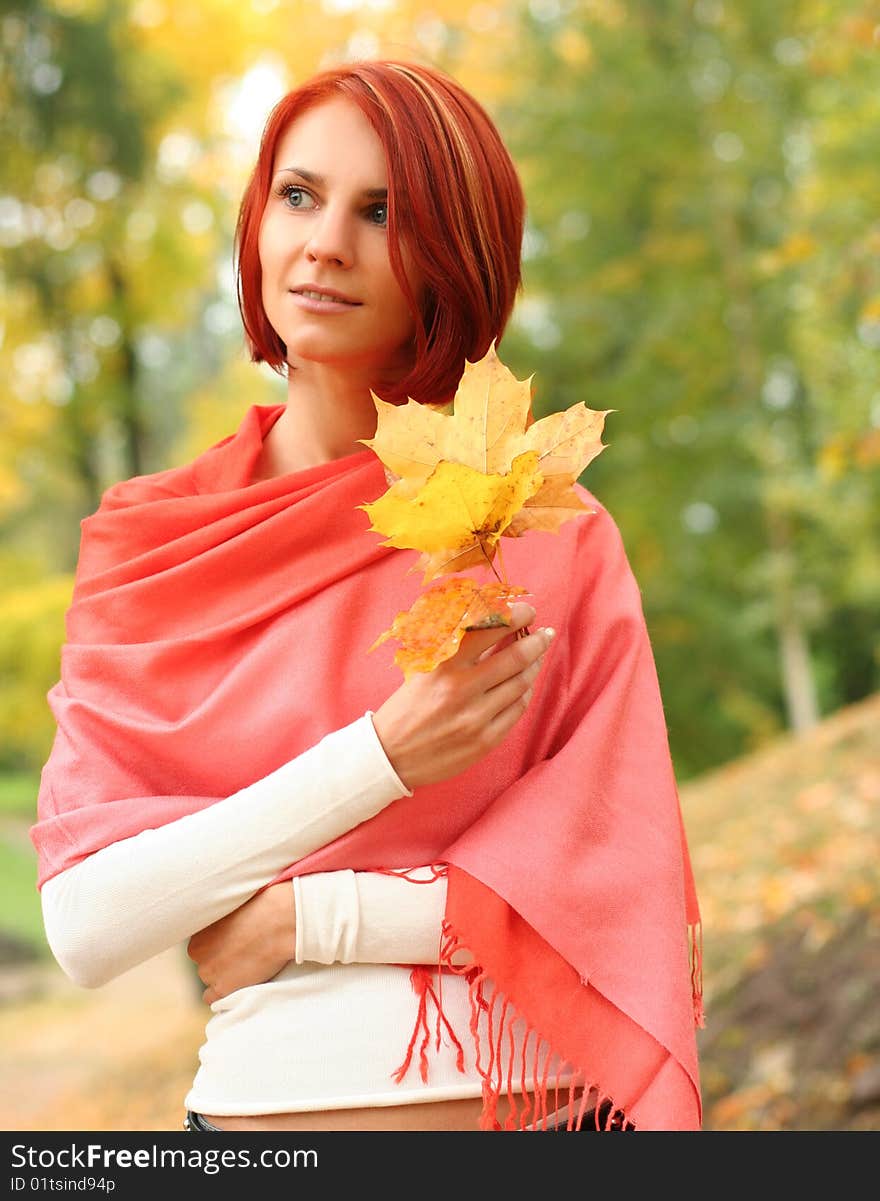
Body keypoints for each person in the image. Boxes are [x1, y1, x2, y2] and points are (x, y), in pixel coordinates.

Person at [31, 59, 703, 1133]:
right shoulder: (151, 544)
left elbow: (617, 892)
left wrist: (308, 914)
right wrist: (381, 758)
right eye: (299, 195)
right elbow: (93, 919)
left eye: (381, 212)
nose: (325, 242)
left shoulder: (535, 522)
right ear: (258, 223)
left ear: (454, 255)